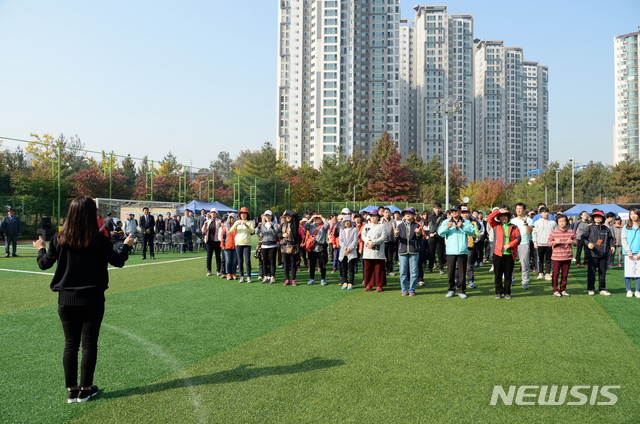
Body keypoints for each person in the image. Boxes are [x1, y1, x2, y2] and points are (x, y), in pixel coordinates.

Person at [34, 196, 134, 403]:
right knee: (89, 345)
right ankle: (85, 389)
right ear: (91, 215)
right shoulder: (99, 240)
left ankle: (72, 390)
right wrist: (126, 245)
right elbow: (119, 262)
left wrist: (40, 248)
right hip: (93, 299)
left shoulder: (59, 238)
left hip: (66, 300)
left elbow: (44, 264)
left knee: (70, 345)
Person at [438, 205, 476, 299]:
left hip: (462, 250)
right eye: (452, 211)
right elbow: (440, 233)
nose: (454, 212)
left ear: (460, 211)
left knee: (462, 272)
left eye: (456, 211)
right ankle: (451, 289)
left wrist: (463, 226)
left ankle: (461, 290)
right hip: (451, 250)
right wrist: (447, 227)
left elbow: (472, 232)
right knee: (450, 271)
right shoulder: (446, 222)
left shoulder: (466, 222)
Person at [487, 207, 521, 299]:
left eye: (505, 216)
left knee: (508, 275)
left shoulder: (514, 227)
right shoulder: (496, 225)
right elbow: (489, 218)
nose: (503, 218)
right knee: (498, 275)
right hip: (498, 254)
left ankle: (507, 292)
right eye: (501, 216)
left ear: (508, 217)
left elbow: (518, 239)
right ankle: (498, 292)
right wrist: (498, 211)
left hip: (510, 254)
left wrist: (510, 245)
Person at [582, 210, 615, 296]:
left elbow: (611, 238)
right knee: (591, 272)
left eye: (599, 217)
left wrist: (612, 245)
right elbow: (583, 237)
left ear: (602, 218)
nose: (597, 218)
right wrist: (588, 243)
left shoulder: (606, 228)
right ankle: (590, 288)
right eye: (595, 217)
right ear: (593, 218)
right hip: (592, 254)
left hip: (603, 253)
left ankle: (602, 288)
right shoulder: (589, 228)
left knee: (602, 272)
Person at [547, 215, 577, 297]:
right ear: (557, 223)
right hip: (556, 257)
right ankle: (555, 290)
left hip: (567, 256)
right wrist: (555, 242)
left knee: (565, 275)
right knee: (555, 274)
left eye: (563, 221)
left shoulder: (571, 232)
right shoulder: (554, 232)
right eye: (560, 221)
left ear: (566, 222)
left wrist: (572, 242)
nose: (562, 223)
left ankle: (563, 289)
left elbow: (576, 243)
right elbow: (549, 243)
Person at [395, 207, 422, 296]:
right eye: (406, 213)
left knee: (414, 272)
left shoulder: (417, 225)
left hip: (414, 250)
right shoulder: (400, 225)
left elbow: (420, 239)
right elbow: (396, 240)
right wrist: (396, 235)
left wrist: (418, 233)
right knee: (403, 272)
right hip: (402, 251)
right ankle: (404, 290)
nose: (408, 214)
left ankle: (412, 290)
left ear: (413, 215)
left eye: (410, 213)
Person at [362, 208, 387, 292]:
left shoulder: (382, 226)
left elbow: (383, 237)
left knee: (378, 268)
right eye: (371, 216)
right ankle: (368, 284)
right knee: (368, 268)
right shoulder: (366, 226)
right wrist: (368, 241)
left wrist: (374, 242)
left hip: (378, 251)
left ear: (378, 217)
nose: (373, 218)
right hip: (368, 250)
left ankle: (379, 285)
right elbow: (363, 236)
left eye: (375, 216)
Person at [510, 203, 533, 289]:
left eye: (520, 209)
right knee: (510, 263)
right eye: (517, 209)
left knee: (524, 264)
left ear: (524, 210)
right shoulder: (512, 221)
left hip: (524, 243)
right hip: (513, 244)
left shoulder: (529, 220)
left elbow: (529, 232)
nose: (518, 210)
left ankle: (525, 282)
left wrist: (525, 222)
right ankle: (511, 280)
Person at [303, 213, 330, 285]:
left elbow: (327, 225)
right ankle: (312, 279)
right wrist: (311, 218)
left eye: (319, 219)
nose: (317, 220)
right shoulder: (311, 226)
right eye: (316, 219)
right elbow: (305, 225)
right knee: (312, 264)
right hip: (312, 248)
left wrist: (322, 217)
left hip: (321, 248)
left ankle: (323, 279)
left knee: (322, 264)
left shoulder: (323, 227)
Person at [229, 207, 255, 282]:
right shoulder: (237, 222)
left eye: (245, 214)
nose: (243, 215)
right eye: (242, 214)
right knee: (240, 261)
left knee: (247, 261)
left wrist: (246, 226)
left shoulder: (250, 222)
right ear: (240, 215)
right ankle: (241, 276)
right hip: (238, 243)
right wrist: (235, 224)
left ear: (247, 215)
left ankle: (249, 276)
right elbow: (231, 230)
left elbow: (252, 231)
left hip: (247, 243)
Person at [532, 207, 557, 280]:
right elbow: (534, 233)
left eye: (547, 212)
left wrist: (554, 243)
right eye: (544, 212)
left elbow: (555, 233)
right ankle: (540, 273)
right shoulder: (537, 223)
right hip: (540, 244)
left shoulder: (553, 222)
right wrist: (535, 242)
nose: (546, 214)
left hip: (549, 244)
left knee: (548, 259)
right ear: (540, 214)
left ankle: (547, 273)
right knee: (540, 259)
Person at [461, 206, 482, 289]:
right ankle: (457, 280)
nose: (465, 215)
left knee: (469, 265)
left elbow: (476, 233)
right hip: (459, 247)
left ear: (469, 214)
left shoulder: (473, 223)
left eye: (466, 213)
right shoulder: (457, 222)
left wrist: (474, 234)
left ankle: (470, 281)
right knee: (457, 265)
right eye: (463, 213)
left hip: (469, 245)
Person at [279, 210, 303, 286]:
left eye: (289, 216)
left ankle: (293, 279)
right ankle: (287, 279)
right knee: (285, 263)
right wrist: (282, 235)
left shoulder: (294, 224)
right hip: (284, 245)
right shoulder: (282, 224)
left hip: (293, 246)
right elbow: (278, 233)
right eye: (286, 216)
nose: (288, 218)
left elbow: (296, 215)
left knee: (293, 263)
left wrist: (286, 211)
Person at [256, 210, 279, 284]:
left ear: (271, 216)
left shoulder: (275, 224)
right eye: (266, 216)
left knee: (272, 261)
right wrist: (259, 227)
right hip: (264, 245)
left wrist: (272, 226)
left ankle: (272, 277)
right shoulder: (262, 225)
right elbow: (256, 232)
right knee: (264, 261)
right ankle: (265, 276)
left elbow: (276, 233)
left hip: (272, 245)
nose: (267, 217)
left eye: (269, 215)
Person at [621, 208, 640, 298]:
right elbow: (623, 240)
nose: (633, 216)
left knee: (638, 273)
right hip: (628, 253)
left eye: (635, 214)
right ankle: (629, 290)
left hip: (638, 253)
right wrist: (629, 252)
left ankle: (637, 290)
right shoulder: (626, 226)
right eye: (631, 214)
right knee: (628, 272)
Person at [338, 215, 359, 289]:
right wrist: (345, 248)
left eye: (348, 221)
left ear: (350, 222)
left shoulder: (354, 230)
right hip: (343, 251)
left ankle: (351, 282)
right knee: (343, 267)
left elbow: (355, 241)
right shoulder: (341, 230)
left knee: (351, 267)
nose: (346, 223)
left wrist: (350, 248)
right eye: (345, 221)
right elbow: (340, 241)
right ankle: (344, 281)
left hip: (352, 251)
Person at [202, 210, 223, 277]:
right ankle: (209, 270)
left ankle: (218, 270)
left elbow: (223, 229)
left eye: (214, 213)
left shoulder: (219, 221)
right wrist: (205, 225)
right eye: (212, 213)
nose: (213, 214)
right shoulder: (208, 221)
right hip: (209, 241)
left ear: (217, 214)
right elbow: (203, 231)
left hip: (217, 241)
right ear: (210, 214)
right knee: (209, 256)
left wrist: (221, 226)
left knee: (218, 256)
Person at [427, 203, 446, 274]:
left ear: (440, 208)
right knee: (431, 253)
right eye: (435, 208)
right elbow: (430, 225)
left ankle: (441, 268)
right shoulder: (431, 216)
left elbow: (442, 226)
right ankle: (430, 267)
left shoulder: (443, 216)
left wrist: (436, 233)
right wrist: (430, 233)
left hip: (439, 236)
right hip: (431, 236)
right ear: (433, 208)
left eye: (438, 208)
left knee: (440, 253)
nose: (437, 209)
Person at [220, 213, 238, 280]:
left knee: (234, 261)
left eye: (233, 218)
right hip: (227, 246)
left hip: (236, 246)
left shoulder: (237, 226)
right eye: (231, 218)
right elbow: (222, 236)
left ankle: (233, 273)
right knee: (228, 261)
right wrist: (222, 245)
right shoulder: (225, 226)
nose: (232, 219)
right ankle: (228, 274)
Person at [381, 208, 397, 276]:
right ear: (383, 213)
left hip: (391, 241)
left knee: (390, 257)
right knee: (382, 257)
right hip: (382, 242)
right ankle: (382, 271)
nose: (387, 214)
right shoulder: (381, 221)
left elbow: (395, 230)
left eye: (388, 212)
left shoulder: (393, 221)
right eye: (386, 212)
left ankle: (389, 270)